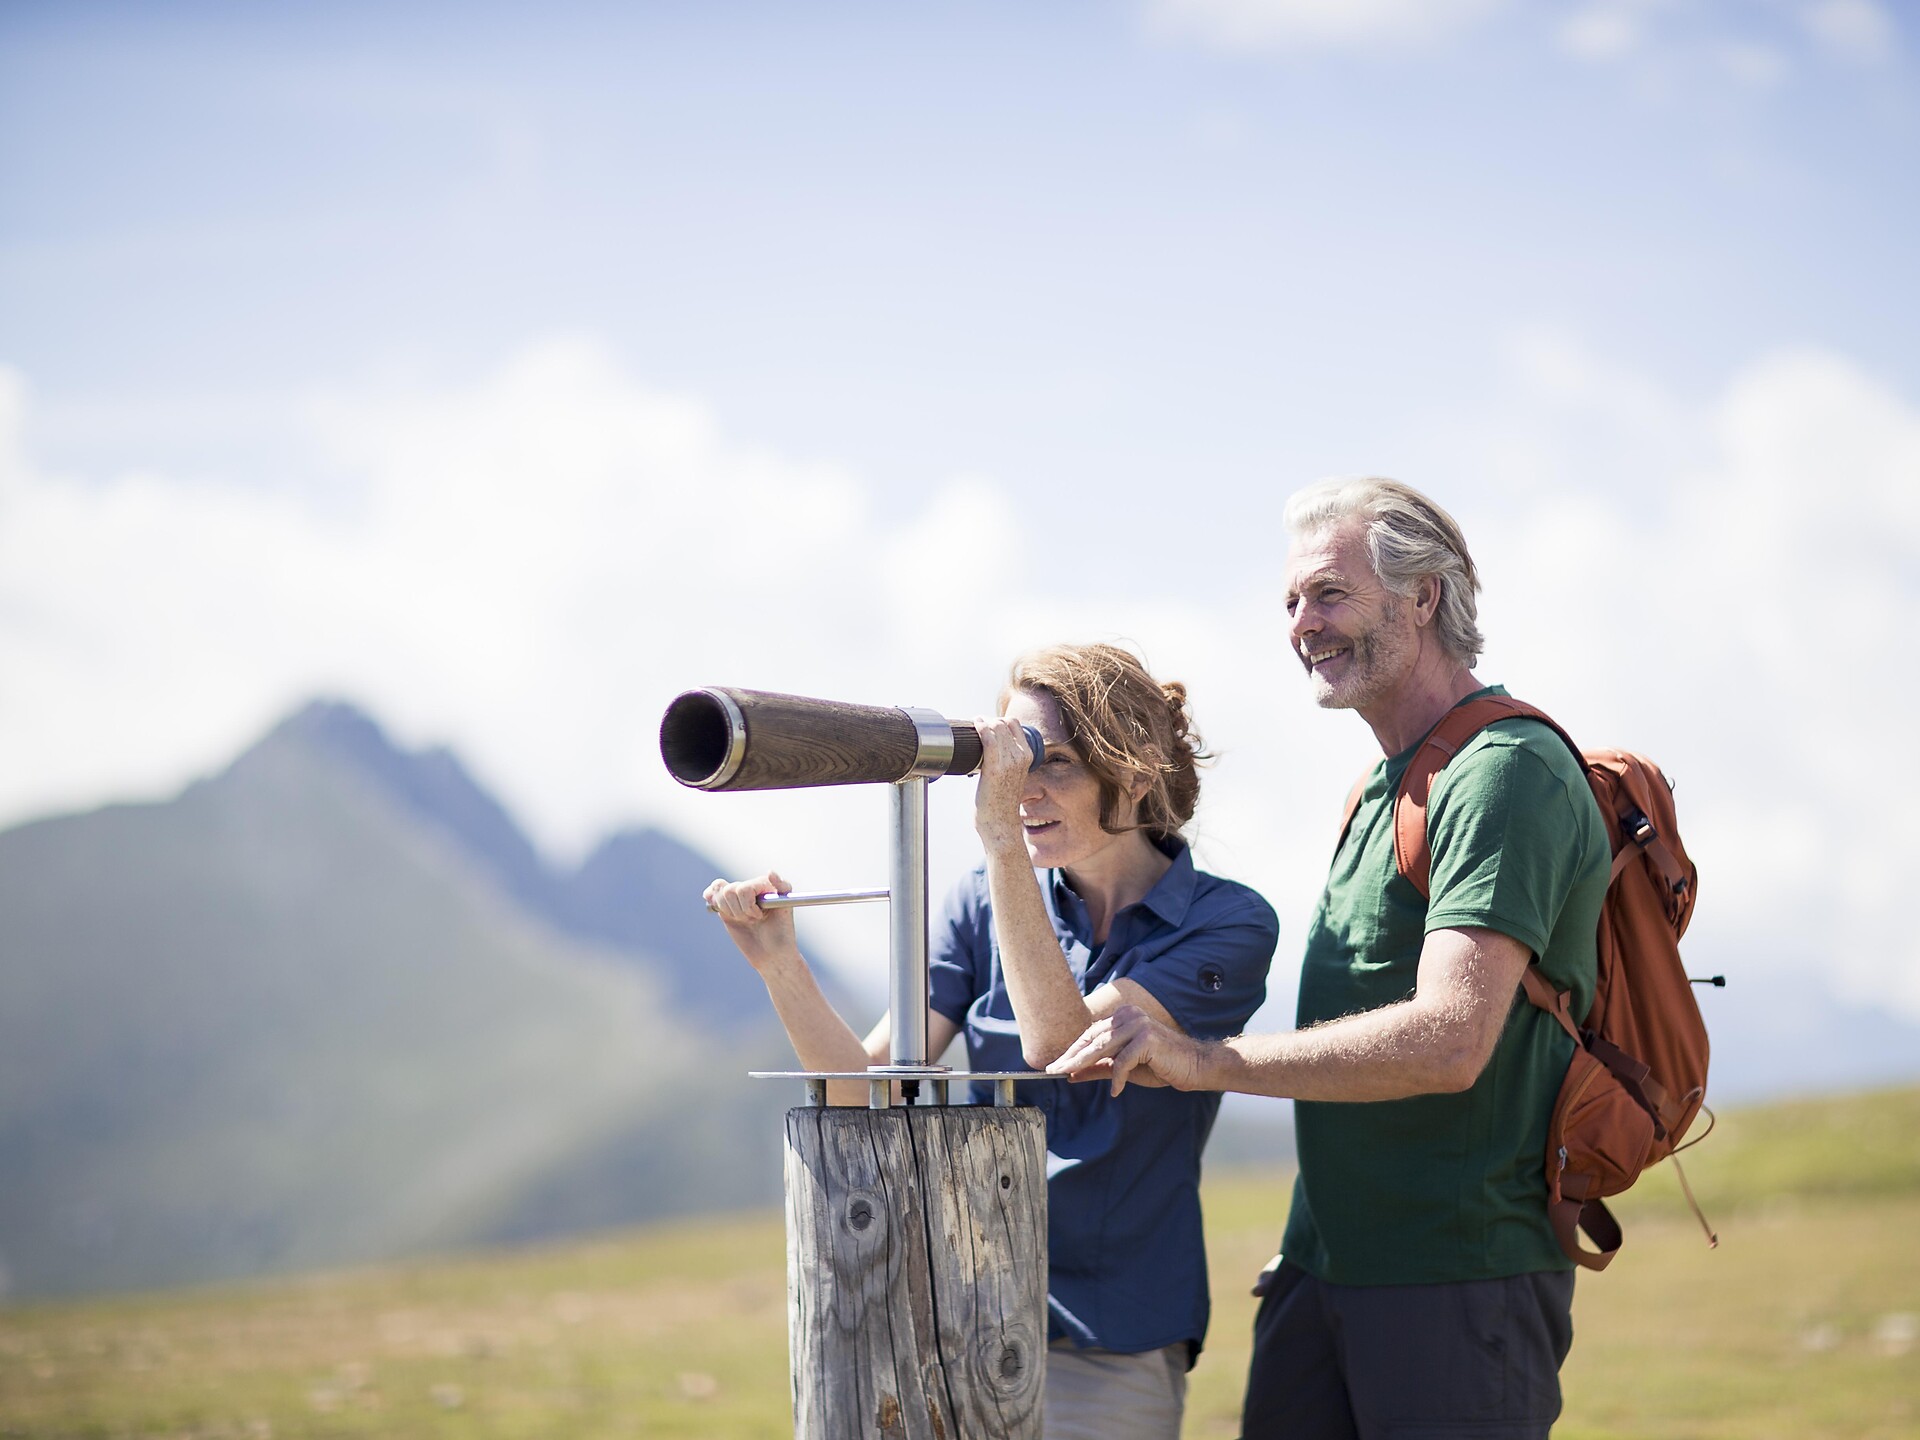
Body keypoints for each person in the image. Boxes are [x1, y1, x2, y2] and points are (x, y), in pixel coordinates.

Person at [1049, 480, 1612, 1440]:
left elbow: (1448, 1041)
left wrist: (1206, 1061)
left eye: (1329, 594)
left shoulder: (1503, 772)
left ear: (1424, 595)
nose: (1303, 625)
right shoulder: (1381, 787)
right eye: (1291, 605)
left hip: (1456, 1277)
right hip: (1326, 1271)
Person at [705, 642, 1278, 1440]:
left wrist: (1002, 845)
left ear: (1138, 774)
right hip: (955, 1309)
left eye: (1056, 764)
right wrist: (782, 968)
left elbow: (1064, 1043)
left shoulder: (1229, 923)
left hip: (1113, 1335)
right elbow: (862, 1094)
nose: (1021, 792)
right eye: (1007, 763)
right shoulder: (982, 900)